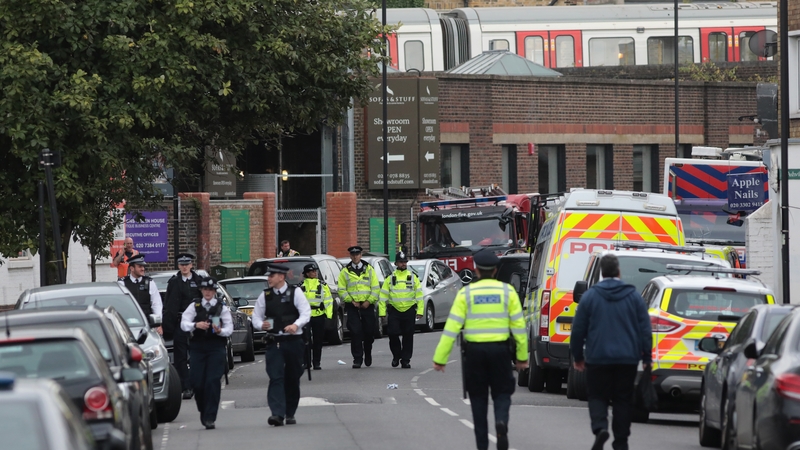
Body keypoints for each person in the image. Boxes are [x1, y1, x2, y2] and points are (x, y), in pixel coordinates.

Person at [432, 249, 528, 450]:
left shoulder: (466, 294)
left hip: (474, 354)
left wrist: (440, 358)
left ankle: (482, 445)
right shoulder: (507, 292)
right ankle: (501, 422)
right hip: (501, 352)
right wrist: (521, 357)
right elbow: (519, 327)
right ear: (495, 270)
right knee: (502, 393)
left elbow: (452, 328)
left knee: (478, 399)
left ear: (476, 270)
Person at [570, 254, 652, 450]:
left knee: (597, 396)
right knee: (623, 400)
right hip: (627, 359)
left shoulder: (590, 296)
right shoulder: (633, 296)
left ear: (601, 272)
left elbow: (578, 329)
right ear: (619, 272)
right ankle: (621, 442)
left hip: (598, 358)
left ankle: (600, 428)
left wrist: (578, 357)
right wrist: (647, 356)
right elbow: (645, 329)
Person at [251, 263, 311, 427]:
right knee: (276, 377)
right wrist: (260, 325)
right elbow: (256, 317)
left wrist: (296, 325)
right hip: (274, 342)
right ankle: (277, 414)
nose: (269, 278)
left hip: (293, 342)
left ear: (281, 277)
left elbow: (306, 313)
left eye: (272, 276)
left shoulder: (295, 292)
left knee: (292, 377)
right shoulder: (266, 296)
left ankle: (290, 412)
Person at [180, 277, 233, 430]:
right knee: (197, 382)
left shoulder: (221, 307)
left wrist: (220, 331)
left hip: (216, 347)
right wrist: (196, 325)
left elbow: (229, 328)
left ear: (214, 292)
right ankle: (203, 409)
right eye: (205, 290)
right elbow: (184, 324)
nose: (208, 293)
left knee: (212, 381)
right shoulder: (194, 306)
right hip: (197, 347)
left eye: (211, 290)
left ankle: (210, 416)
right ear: (202, 291)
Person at [164, 252, 204, 400]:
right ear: (178, 266)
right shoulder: (174, 282)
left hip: (197, 323)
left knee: (196, 355)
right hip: (180, 322)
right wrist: (167, 326)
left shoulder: (199, 280)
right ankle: (186, 386)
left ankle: (197, 384)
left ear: (191, 265)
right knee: (180, 357)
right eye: (182, 264)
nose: (184, 267)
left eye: (187, 264)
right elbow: (168, 304)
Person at [378, 251, 422, 369]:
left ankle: (406, 360)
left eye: (404, 262)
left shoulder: (413, 277)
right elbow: (383, 297)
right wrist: (382, 312)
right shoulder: (390, 278)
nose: (403, 264)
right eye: (401, 262)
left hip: (409, 310)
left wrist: (420, 311)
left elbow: (419, 295)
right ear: (396, 263)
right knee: (392, 334)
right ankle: (396, 355)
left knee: (408, 336)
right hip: (395, 311)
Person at [337, 245, 379, 369]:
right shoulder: (345, 271)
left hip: (367, 306)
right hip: (353, 306)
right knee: (355, 333)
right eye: (353, 255)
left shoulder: (369, 269)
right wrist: (350, 300)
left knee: (369, 332)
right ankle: (357, 358)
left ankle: (368, 352)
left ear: (361, 255)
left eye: (357, 254)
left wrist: (369, 301)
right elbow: (341, 289)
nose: (355, 257)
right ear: (350, 256)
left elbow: (375, 288)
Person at [117, 254, 163, 335]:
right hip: (128, 325)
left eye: (143, 266)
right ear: (131, 268)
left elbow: (156, 304)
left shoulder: (150, 282)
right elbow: (119, 305)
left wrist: (158, 324)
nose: (143, 269)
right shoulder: (122, 283)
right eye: (140, 266)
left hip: (147, 324)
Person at [300, 263, 333, 370]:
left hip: (319, 314)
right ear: (306, 273)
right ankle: (306, 362)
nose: (314, 273)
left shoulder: (322, 285)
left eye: (315, 271)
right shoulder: (301, 286)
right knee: (306, 340)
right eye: (312, 271)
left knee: (318, 340)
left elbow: (328, 301)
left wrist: (329, 316)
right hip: (305, 316)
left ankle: (317, 362)